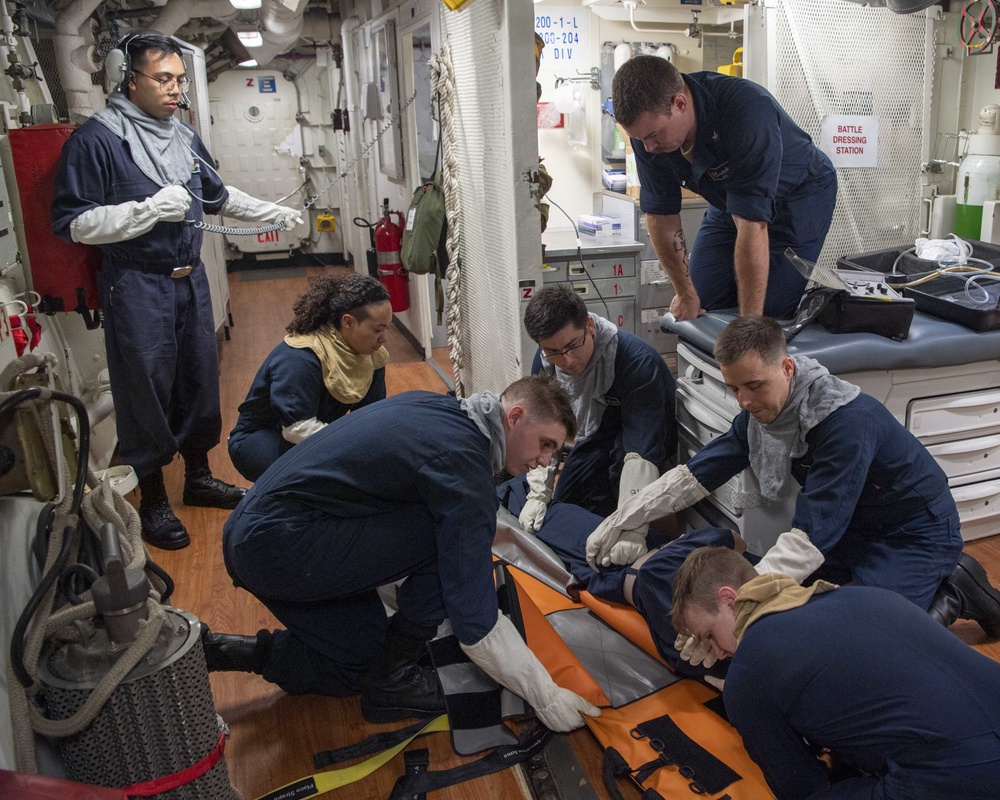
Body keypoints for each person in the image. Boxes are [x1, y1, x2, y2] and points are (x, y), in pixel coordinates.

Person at [207, 376, 601, 731]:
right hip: (277, 548)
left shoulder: (443, 409)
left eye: (556, 452)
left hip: (261, 530)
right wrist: (546, 696)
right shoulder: (464, 470)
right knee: (445, 539)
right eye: (545, 444)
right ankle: (394, 682)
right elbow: (476, 623)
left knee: (362, 656)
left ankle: (220, 650)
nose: (547, 461)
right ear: (514, 417)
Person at [586, 315, 1000, 642]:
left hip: (914, 533)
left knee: (871, 635)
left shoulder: (844, 423)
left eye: (753, 385)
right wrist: (629, 514)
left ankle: (954, 591)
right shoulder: (758, 415)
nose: (744, 401)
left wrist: (743, 608)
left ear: (787, 367)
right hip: (854, 529)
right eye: (734, 389)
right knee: (802, 613)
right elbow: (700, 472)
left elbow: (814, 532)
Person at [51, 30, 303, 550]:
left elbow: (215, 194)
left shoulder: (183, 136)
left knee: (198, 377)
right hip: (137, 282)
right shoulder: (97, 139)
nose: (174, 91)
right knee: (145, 389)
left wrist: (266, 213)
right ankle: (153, 498)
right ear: (128, 78)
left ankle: (197, 477)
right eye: (162, 79)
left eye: (179, 80)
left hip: (189, 279)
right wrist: (143, 213)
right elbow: (73, 222)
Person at [671, 546, 1000, 800]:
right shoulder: (861, 594)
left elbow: (801, 788)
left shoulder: (748, 674)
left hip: (966, 776)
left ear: (729, 600)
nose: (716, 653)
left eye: (709, 636)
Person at [500, 474, 822, 679]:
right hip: (643, 566)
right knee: (552, 525)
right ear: (729, 598)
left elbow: (727, 543)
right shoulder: (715, 605)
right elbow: (727, 540)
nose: (720, 648)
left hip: (634, 572)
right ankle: (514, 488)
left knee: (567, 542)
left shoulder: (708, 646)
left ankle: (514, 489)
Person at [611, 55, 837, 320]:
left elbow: (752, 224)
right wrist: (685, 294)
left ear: (680, 103)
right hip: (729, 199)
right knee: (701, 299)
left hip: (799, 196)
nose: (648, 148)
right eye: (640, 139)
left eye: (652, 136)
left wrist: (749, 326)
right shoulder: (648, 131)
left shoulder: (747, 109)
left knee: (767, 314)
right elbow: (660, 217)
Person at [516, 285, 677, 530]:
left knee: (620, 481)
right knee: (567, 500)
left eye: (572, 345)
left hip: (647, 432)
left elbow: (642, 448)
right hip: (599, 431)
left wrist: (632, 527)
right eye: (553, 351)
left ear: (590, 326)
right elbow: (546, 427)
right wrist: (538, 494)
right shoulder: (545, 361)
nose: (566, 361)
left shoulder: (636, 361)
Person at [228, 272, 391, 482]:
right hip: (265, 436)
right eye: (378, 329)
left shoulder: (371, 353)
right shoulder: (300, 357)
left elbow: (371, 416)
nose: (384, 338)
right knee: (324, 478)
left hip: (317, 431)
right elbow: (297, 429)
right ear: (348, 322)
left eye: (388, 328)